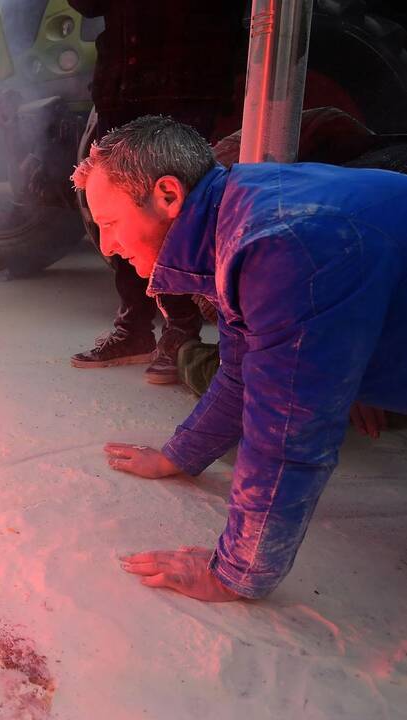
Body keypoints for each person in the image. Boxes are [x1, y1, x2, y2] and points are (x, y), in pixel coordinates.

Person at [72, 115, 407, 601]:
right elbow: (241, 370)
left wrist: (233, 572)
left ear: (167, 195)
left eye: (110, 224)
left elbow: (288, 430)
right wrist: (180, 456)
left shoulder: (280, 243)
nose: (107, 247)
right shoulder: (234, 218)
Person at [66, 0, 248, 384]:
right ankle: (134, 324)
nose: (107, 246)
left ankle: (181, 329)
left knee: (173, 216)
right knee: (121, 213)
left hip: (191, 82)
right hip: (125, 85)